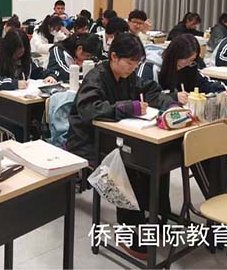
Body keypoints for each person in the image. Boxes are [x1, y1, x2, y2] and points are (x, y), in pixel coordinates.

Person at [65, 33, 176, 260]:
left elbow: (151, 91)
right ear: (114, 56)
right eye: (130, 62)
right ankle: (127, 228)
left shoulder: (129, 76)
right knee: (129, 166)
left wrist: (171, 105)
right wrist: (126, 108)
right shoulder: (96, 77)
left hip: (118, 138)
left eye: (136, 64)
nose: (133, 68)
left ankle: (152, 216)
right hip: (88, 141)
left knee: (154, 162)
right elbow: (89, 109)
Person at [0, 29, 56, 130]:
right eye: (17, 51)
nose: (20, 53)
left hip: (17, 109)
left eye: (23, 50)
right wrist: (14, 84)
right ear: (9, 48)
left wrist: (50, 76)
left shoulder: (25, 60)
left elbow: (39, 71)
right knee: (20, 130)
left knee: (36, 126)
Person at [138, 34, 225, 104]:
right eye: (185, 60)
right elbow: (141, 96)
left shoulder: (188, 66)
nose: (187, 64)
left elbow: (203, 83)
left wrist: (220, 90)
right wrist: (173, 96)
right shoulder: (149, 68)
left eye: (191, 60)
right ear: (174, 55)